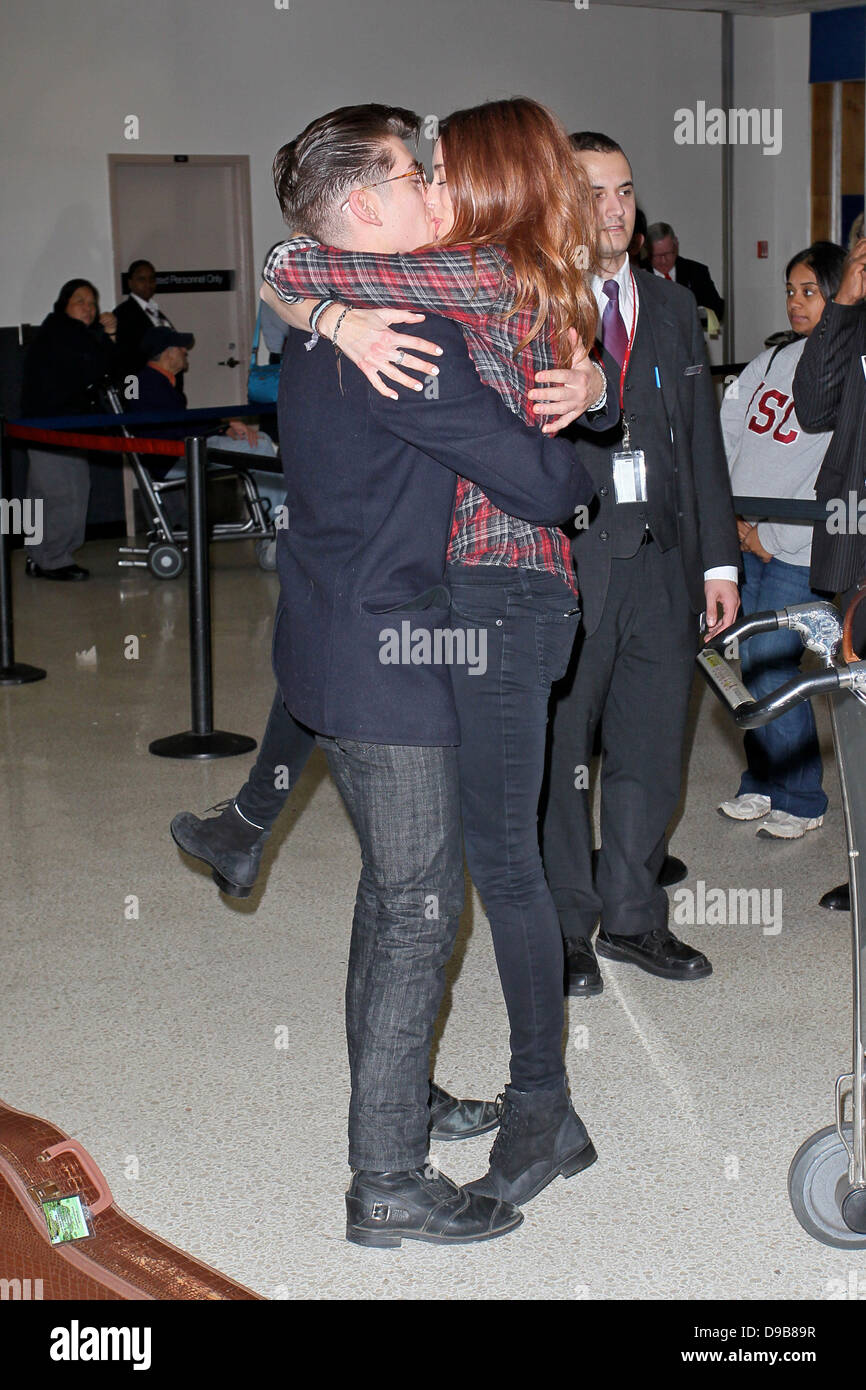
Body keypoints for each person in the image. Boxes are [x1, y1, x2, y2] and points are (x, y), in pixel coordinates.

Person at [174, 97, 613, 1226]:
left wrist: (313, 301)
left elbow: (288, 255)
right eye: (417, 174)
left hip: (336, 632)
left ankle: (399, 1099)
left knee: (398, 899)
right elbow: (529, 477)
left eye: (442, 169)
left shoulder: (343, 312)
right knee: (417, 907)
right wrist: (581, 478)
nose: (433, 187)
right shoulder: (402, 330)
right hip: (392, 652)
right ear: (369, 203)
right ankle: (387, 1181)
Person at [539, 133, 740, 999]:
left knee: (653, 756)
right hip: (569, 567)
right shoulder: (532, 307)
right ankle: (563, 931)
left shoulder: (669, 303)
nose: (615, 207)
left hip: (662, 570)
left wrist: (719, 564)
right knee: (561, 760)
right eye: (595, 191)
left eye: (625, 190)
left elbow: (703, 440)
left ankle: (631, 919)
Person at [719, 242, 845, 839]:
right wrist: (734, 525)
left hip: (794, 547)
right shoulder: (768, 364)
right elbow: (728, 438)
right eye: (791, 292)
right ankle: (761, 785)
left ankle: (803, 797)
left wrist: (769, 536)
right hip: (744, 539)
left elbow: (831, 471)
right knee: (745, 668)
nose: (796, 303)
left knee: (775, 672)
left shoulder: (847, 376)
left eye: (810, 292)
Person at [794, 235, 866, 912]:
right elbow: (812, 408)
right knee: (860, 713)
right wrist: (843, 304)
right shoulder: (852, 318)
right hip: (859, 545)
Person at [125, 326, 284, 519]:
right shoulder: (151, 385)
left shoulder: (154, 383)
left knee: (262, 440)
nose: (185, 351)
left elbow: (179, 424)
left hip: (178, 451)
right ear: (168, 352)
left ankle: (268, 520)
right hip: (176, 457)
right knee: (260, 447)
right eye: (181, 347)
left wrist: (223, 427)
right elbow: (177, 427)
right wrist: (222, 427)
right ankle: (276, 524)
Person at [21, 279, 119, 580]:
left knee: (51, 494)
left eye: (93, 303)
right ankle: (53, 560)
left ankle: (41, 557)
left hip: (62, 427)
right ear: (64, 304)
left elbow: (106, 367)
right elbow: (95, 365)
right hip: (52, 428)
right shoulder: (62, 333)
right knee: (64, 493)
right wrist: (107, 335)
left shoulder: (71, 333)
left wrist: (107, 335)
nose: (89, 308)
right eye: (81, 301)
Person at [646, 220, 725, 326]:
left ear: (676, 245)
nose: (663, 261)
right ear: (646, 251)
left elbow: (717, 311)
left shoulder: (696, 271)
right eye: (657, 256)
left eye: (668, 253)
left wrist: (692, 313)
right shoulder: (638, 272)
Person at [114, 260, 180, 381]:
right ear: (130, 283)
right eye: (141, 279)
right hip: (142, 385)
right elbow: (126, 360)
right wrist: (132, 394)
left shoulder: (155, 312)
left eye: (152, 279)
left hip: (164, 384)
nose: (148, 284)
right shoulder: (123, 313)